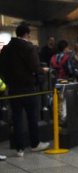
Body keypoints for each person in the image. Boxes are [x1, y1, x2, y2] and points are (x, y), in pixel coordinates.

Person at [0, 22, 50, 157]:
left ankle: (19, 149)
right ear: (27, 34)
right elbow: (34, 67)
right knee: (32, 116)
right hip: (28, 87)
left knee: (16, 118)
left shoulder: (6, 49)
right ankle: (34, 144)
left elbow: (2, 68)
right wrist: (43, 70)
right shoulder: (28, 47)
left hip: (13, 89)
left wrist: (8, 81)